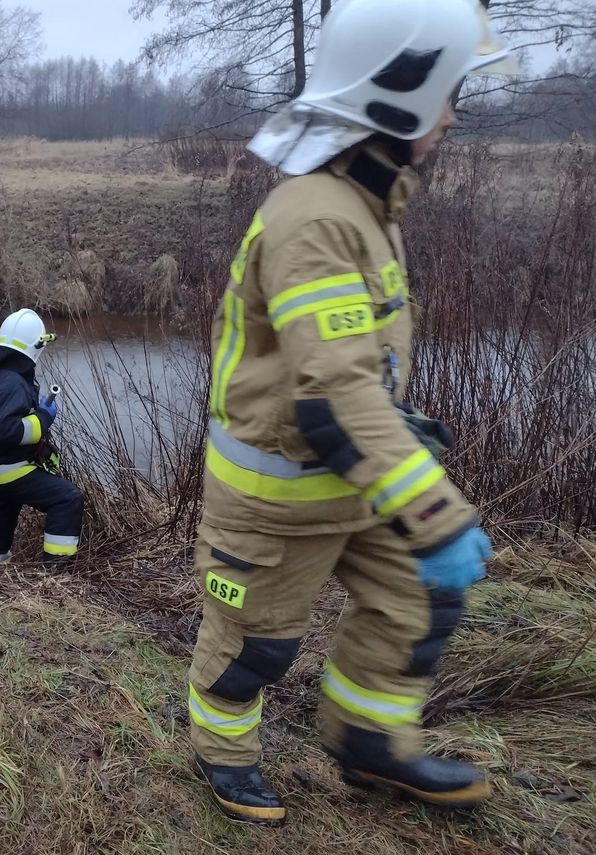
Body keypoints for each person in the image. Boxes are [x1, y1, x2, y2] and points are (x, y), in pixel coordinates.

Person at [187, 0, 516, 826]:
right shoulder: (318, 218)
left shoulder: (370, 207)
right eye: (445, 95)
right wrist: (434, 509)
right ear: (393, 100)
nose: (450, 118)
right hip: (276, 499)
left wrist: (402, 438)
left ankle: (370, 742)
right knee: (251, 647)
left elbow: (355, 369)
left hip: (352, 478)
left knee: (414, 601)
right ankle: (223, 755)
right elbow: (333, 393)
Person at [0, 309, 83, 563]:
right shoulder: (12, 384)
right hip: (11, 469)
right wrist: (43, 417)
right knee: (67, 499)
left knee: (1, 505)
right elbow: (6, 431)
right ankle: (57, 569)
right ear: (36, 346)